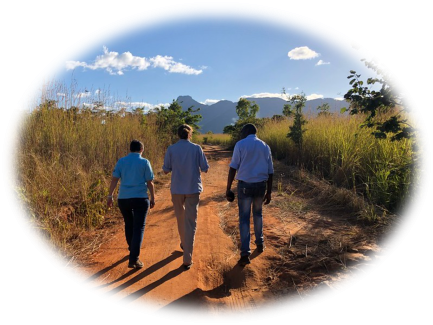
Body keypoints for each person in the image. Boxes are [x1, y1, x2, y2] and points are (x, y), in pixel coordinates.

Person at [226, 123, 274, 266]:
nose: (241, 134)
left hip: (245, 186)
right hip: (261, 185)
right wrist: (269, 192)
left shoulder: (240, 144)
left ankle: (245, 253)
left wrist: (228, 188)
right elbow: (270, 171)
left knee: (244, 219)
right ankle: (260, 243)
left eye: (242, 132)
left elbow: (233, 167)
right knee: (258, 214)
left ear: (246, 132)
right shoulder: (265, 146)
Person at [162, 124, 209, 270]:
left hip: (177, 189)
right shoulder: (196, 148)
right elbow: (205, 168)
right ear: (190, 134)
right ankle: (187, 257)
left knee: (180, 219)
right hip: (193, 189)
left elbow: (165, 170)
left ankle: (184, 243)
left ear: (178, 135)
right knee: (190, 222)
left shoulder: (171, 149)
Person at [107, 139, 155, 269]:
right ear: (141, 150)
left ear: (130, 149)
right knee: (138, 227)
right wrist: (152, 198)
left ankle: (132, 248)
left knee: (129, 224)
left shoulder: (121, 161)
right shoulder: (145, 162)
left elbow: (114, 179)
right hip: (140, 198)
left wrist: (110, 196)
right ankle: (134, 258)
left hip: (123, 199)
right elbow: (150, 182)